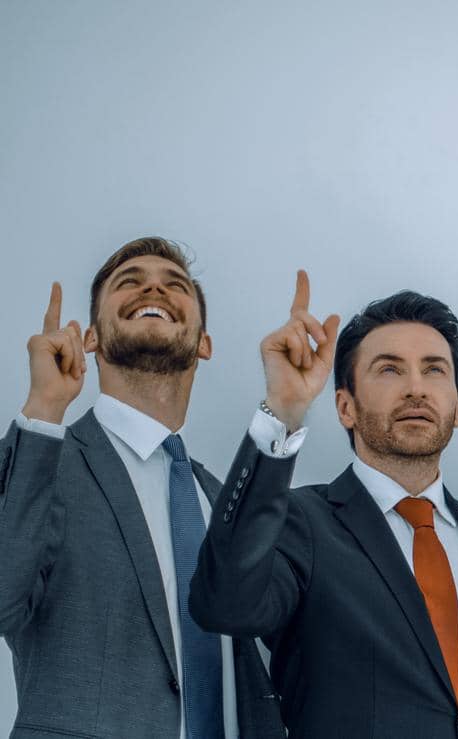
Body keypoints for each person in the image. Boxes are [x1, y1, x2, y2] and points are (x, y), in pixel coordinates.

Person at [189, 280, 458, 737]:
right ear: (345, 407)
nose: (415, 388)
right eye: (389, 370)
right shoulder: (301, 522)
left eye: (434, 370)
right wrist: (283, 411)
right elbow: (226, 605)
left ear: (457, 406)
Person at [0, 237, 283, 738]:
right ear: (89, 338)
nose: (153, 285)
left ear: (203, 343)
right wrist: (44, 407)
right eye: (128, 282)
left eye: (175, 285)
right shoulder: (43, 458)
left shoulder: (221, 497)